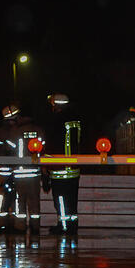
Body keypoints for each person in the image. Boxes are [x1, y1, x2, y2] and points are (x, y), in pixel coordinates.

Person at [0, 104, 44, 235]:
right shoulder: (38, 130)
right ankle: (35, 228)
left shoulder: (12, 132)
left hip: (16, 174)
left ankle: (18, 228)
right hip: (34, 174)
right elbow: (43, 149)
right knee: (34, 204)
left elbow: (6, 151)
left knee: (18, 203)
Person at [42, 93, 81, 233]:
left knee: (61, 199)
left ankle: (64, 226)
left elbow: (52, 145)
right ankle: (72, 226)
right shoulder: (76, 120)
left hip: (59, 168)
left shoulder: (55, 121)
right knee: (72, 200)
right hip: (74, 167)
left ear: (55, 105)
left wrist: (45, 166)